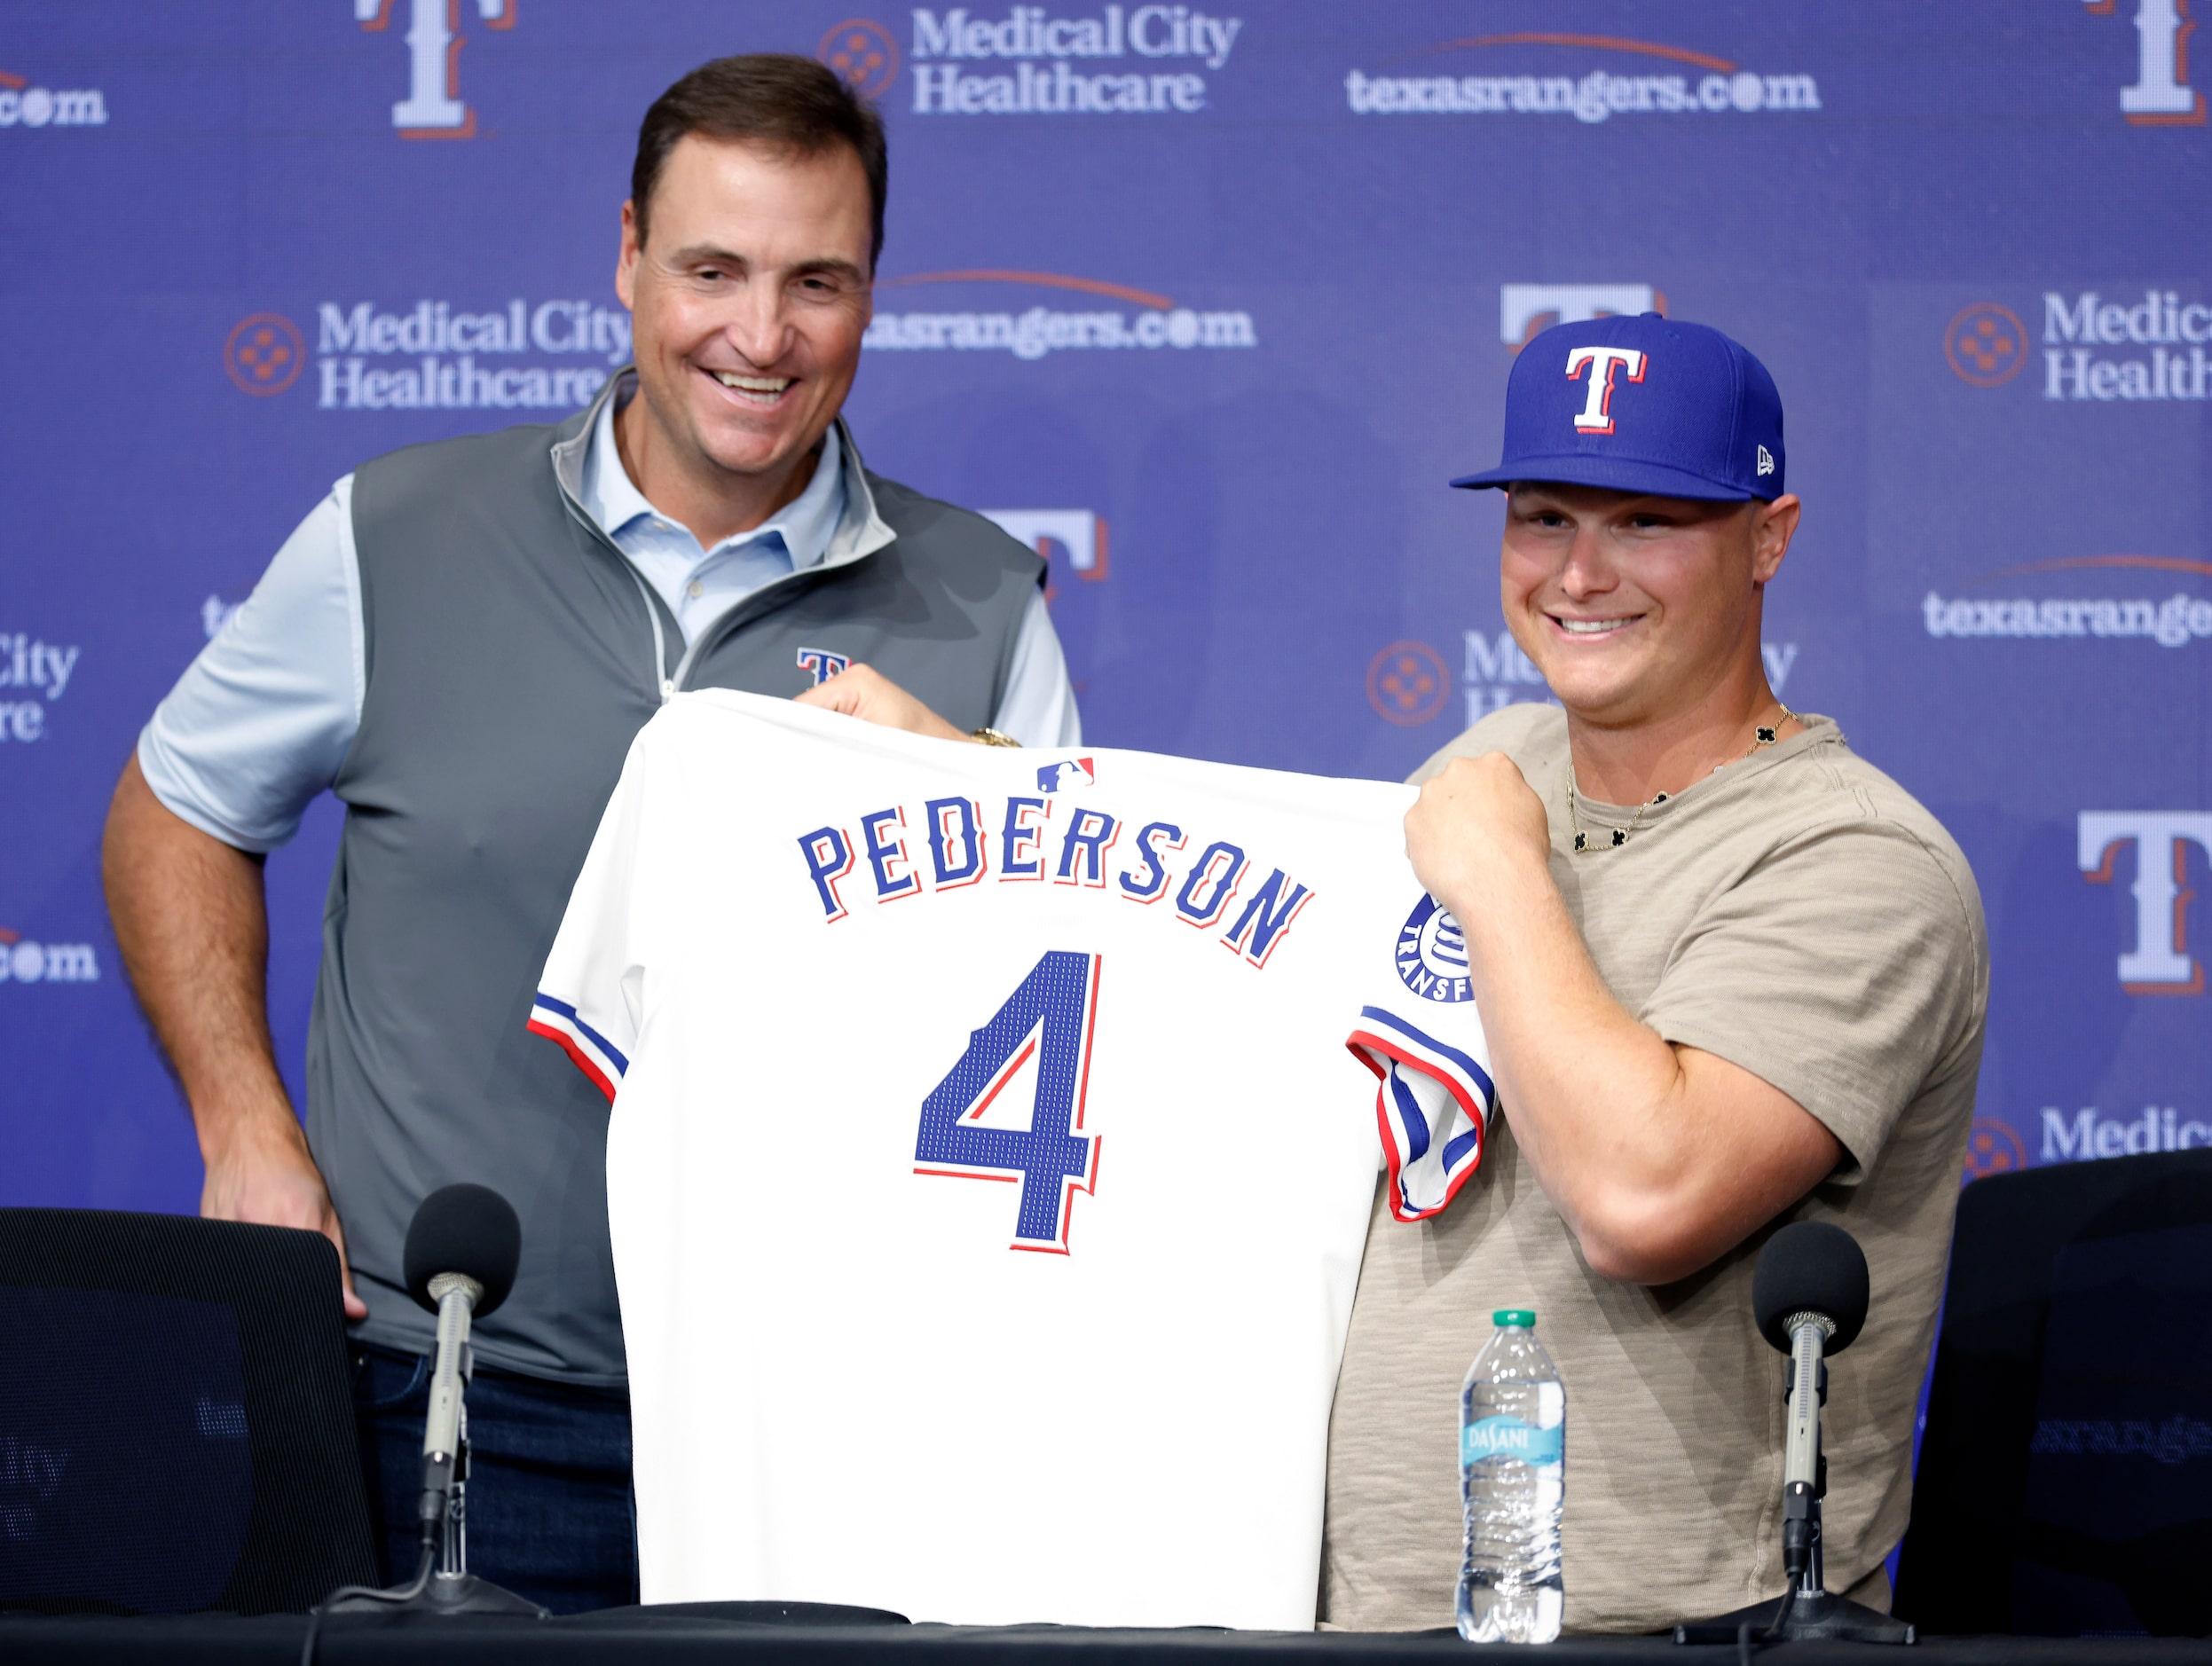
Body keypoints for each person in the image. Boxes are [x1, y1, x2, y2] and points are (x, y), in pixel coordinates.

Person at [100, 54, 1076, 1613]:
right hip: (431, 1398)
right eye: (713, 270)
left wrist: (966, 780)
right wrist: (241, 1121)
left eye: (815, 281)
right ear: (628, 256)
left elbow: (1066, 975)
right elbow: (174, 806)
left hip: (810, 1433)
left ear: (874, 292)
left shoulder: (981, 604)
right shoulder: (395, 532)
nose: (760, 337)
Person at [1319, 314, 1987, 1633]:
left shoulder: (1856, 857)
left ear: (1768, 537)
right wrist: (976, 768)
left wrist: (1505, 873)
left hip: (1667, 1630)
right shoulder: (1493, 757)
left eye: (1644, 522)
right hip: (1363, 1613)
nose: (1578, 573)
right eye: (1543, 514)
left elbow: (1643, 1193)